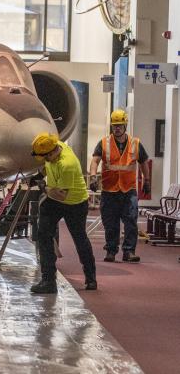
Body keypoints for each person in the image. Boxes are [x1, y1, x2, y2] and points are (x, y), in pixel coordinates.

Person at [30, 132, 97, 294]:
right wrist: (40, 175)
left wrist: (43, 187)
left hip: (74, 202)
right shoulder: (55, 145)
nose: (44, 160)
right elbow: (48, 166)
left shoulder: (67, 164)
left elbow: (61, 195)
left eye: (45, 157)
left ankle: (91, 278)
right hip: (53, 200)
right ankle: (48, 281)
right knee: (44, 235)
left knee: (79, 238)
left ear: (52, 152)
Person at [89, 109, 150, 263]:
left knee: (130, 221)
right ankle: (110, 250)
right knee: (110, 222)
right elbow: (95, 160)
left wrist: (147, 180)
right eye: (114, 125)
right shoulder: (104, 143)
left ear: (125, 125)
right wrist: (93, 177)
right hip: (109, 190)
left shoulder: (135, 143)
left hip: (128, 190)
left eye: (120, 125)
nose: (117, 128)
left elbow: (143, 162)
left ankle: (129, 251)